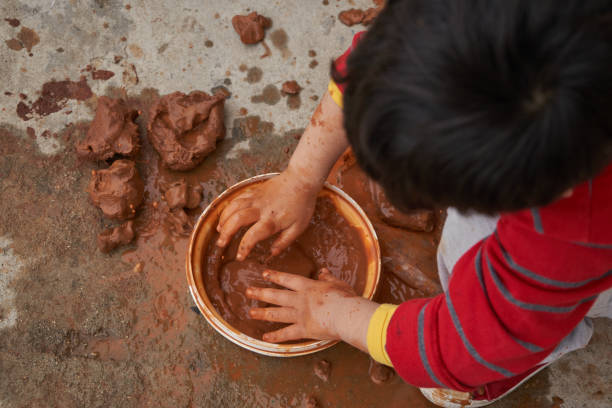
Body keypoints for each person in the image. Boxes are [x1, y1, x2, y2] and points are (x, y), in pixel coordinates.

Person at [215, 0, 612, 406]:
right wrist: (300, 177)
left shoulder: (568, 235)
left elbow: (460, 347)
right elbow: (382, 60)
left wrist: (335, 314)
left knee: (448, 381)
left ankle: (553, 335)